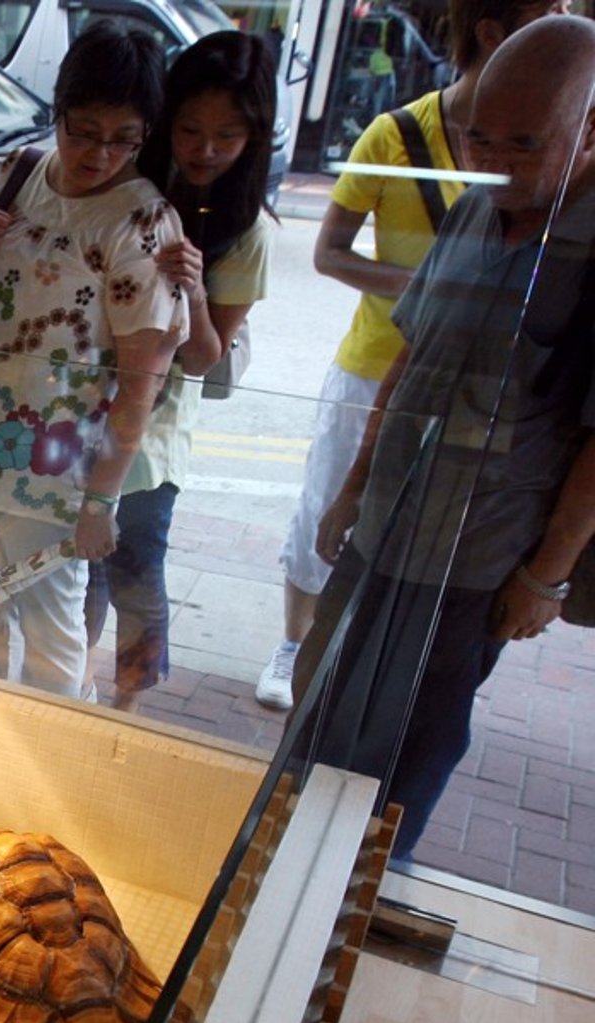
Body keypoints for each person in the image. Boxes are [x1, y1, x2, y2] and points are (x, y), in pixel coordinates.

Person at [291, 13, 595, 861]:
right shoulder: (475, 209)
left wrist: (548, 576)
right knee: (323, 691)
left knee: (416, 732)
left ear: (592, 127)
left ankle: (366, 885)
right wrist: (353, 484)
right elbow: (412, 355)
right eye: (478, 139)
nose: (492, 162)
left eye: (525, 143)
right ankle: (285, 858)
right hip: (389, 513)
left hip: (483, 549)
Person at [255, 0, 564, 712]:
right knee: (327, 513)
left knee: (423, 538)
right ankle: (295, 645)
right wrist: (439, 293)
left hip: (480, 392)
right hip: (377, 365)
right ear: (494, 31)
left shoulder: (550, 152)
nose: (560, 19)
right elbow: (330, 251)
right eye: (545, 10)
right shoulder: (395, 134)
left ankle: (363, 670)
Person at [0, 20, 188, 698]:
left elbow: (142, 382)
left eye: (124, 138)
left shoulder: (142, 223)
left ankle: (51, 765)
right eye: (84, 129)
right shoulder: (19, 173)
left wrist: (102, 499)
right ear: (59, 109)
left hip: (58, 470)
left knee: (53, 639)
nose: (100, 154)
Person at [84, 30, 277, 712]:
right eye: (191, 128)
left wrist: (193, 289)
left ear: (256, 136)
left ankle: (126, 707)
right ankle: (70, 689)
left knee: (135, 569)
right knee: (82, 571)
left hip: (152, 435)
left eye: (228, 135)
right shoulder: (131, 187)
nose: (205, 149)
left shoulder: (247, 231)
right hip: (81, 411)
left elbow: (205, 358)